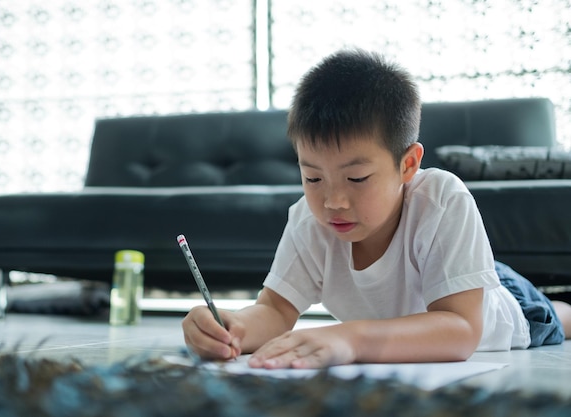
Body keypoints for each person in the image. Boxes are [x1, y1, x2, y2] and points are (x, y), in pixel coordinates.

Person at [182, 48, 571, 369]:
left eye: (356, 179)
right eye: (313, 179)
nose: (333, 201)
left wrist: (349, 338)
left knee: (558, 315)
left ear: (408, 165)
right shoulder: (307, 221)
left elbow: (461, 330)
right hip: (451, 276)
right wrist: (234, 328)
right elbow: (275, 310)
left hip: (506, 305)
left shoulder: (442, 199)